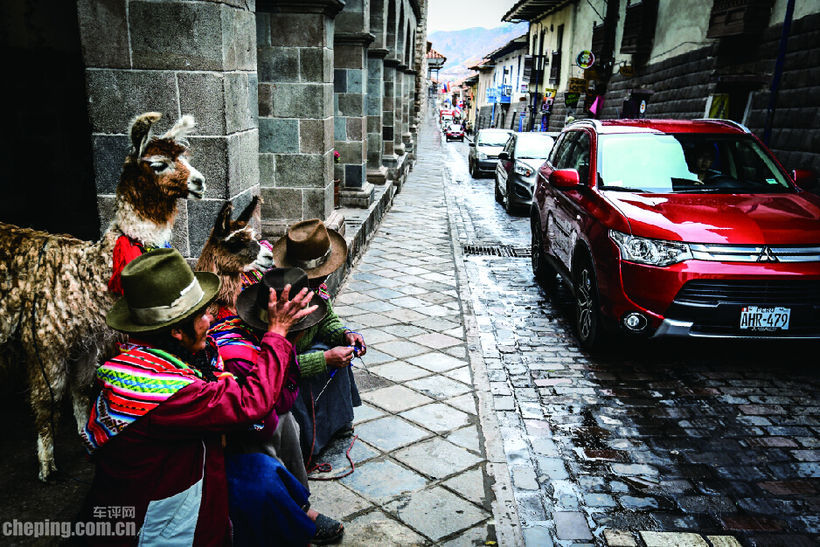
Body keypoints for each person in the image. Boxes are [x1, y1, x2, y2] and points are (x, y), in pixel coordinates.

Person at [77, 248, 334, 545]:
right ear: (175, 331)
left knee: (263, 467)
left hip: (185, 464)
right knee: (257, 478)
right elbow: (251, 403)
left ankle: (296, 512)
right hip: (157, 516)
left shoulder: (156, 356)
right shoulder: (164, 392)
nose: (210, 320)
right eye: (201, 315)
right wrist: (276, 334)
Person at [271, 219, 366, 461]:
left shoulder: (317, 289)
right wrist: (323, 359)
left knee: (338, 350)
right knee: (325, 361)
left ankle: (338, 423)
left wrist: (345, 334)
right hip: (285, 371)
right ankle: (309, 443)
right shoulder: (276, 299)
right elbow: (279, 366)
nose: (322, 279)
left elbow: (327, 320)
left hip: (307, 352)